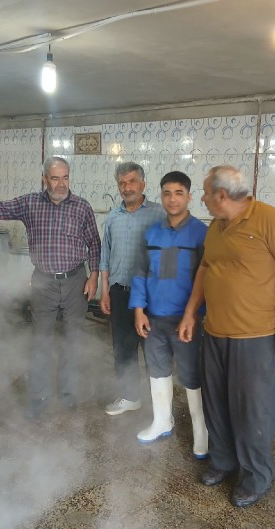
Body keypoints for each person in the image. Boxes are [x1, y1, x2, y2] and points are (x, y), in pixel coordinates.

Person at [178, 165, 275, 508]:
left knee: (252, 410)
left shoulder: (270, 220)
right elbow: (206, 268)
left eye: (205, 193)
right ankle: (223, 461)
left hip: (256, 336)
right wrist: (191, 313)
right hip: (215, 331)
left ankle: (255, 476)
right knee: (216, 403)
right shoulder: (216, 226)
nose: (202, 198)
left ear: (221, 195)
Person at [0, 156, 101, 418]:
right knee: (41, 342)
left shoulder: (82, 207)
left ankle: (67, 393)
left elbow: (94, 243)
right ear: (44, 179)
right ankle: (39, 397)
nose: (61, 184)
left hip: (76, 281)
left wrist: (94, 275)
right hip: (43, 283)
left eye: (65, 177)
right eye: (55, 178)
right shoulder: (30, 204)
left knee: (72, 340)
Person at [129, 171, 209, 458]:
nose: (172, 199)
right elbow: (140, 273)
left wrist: (195, 315)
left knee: (191, 376)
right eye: (167, 193)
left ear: (189, 196)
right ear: (160, 196)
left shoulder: (201, 233)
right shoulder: (152, 233)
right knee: (157, 370)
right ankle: (162, 421)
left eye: (178, 193)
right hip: (154, 318)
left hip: (187, 321)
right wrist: (139, 310)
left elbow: (208, 279)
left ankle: (202, 432)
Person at [99, 162, 164, 416]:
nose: (127, 187)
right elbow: (105, 257)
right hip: (119, 291)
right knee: (123, 349)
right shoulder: (113, 217)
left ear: (143, 184)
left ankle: (160, 406)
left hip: (151, 296)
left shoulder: (159, 214)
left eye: (132, 181)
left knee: (154, 351)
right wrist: (105, 291)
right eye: (122, 183)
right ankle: (130, 397)